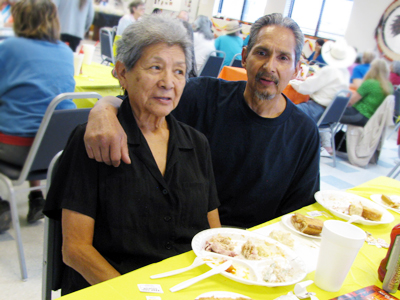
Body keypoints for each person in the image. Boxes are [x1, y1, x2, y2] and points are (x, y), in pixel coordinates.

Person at [83, 13, 320, 229]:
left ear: (297, 69)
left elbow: (298, 214)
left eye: (283, 58)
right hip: (181, 236)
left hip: (256, 250)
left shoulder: (304, 133)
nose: (270, 67)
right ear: (245, 57)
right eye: (262, 53)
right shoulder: (203, 96)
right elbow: (141, 101)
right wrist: (103, 109)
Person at [43, 15, 220, 295]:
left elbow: (213, 236)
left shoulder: (197, 144)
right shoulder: (94, 141)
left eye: (178, 71)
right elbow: (75, 250)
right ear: (122, 72)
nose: (168, 82)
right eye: (155, 67)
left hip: (183, 287)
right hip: (113, 288)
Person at [0, 0, 76, 231]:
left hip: (15, 149)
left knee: (22, 119)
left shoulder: (9, 47)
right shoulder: (65, 51)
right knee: (40, 119)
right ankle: (36, 197)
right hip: (53, 151)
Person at [291, 38, 356, 154]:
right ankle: (325, 145)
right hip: (329, 114)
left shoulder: (329, 70)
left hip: (316, 109)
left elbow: (307, 88)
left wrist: (292, 82)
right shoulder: (345, 73)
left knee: (288, 110)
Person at [340, 58, 393, 126]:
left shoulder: (370, 83)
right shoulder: (389, 86)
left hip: (359, 115)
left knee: (330, 113)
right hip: (372, 119)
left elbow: (351, 101)